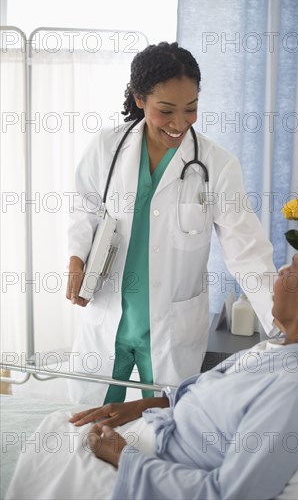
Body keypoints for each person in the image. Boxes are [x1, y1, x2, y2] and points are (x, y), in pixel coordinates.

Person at [6, 235, 298, 500]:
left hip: (149, 468)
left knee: (38, 448)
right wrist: (142, 404)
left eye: (293, 269)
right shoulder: (291, 350)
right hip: (152, 433)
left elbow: (226, 493)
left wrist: (122, 455)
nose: (281, 270)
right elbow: (211, 392)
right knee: (53, 431)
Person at [65, 42, 279, 405]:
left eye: (191, 109)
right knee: (89, 424)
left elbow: (246, 249)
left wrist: (282, 325)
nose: (179, 123)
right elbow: (83, 209)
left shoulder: (217, 165)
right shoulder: (106, 147)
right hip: (108, 314)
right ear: (139, 99)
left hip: (171, 323)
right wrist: (75, 258)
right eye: (166, 110)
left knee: (168, 426)